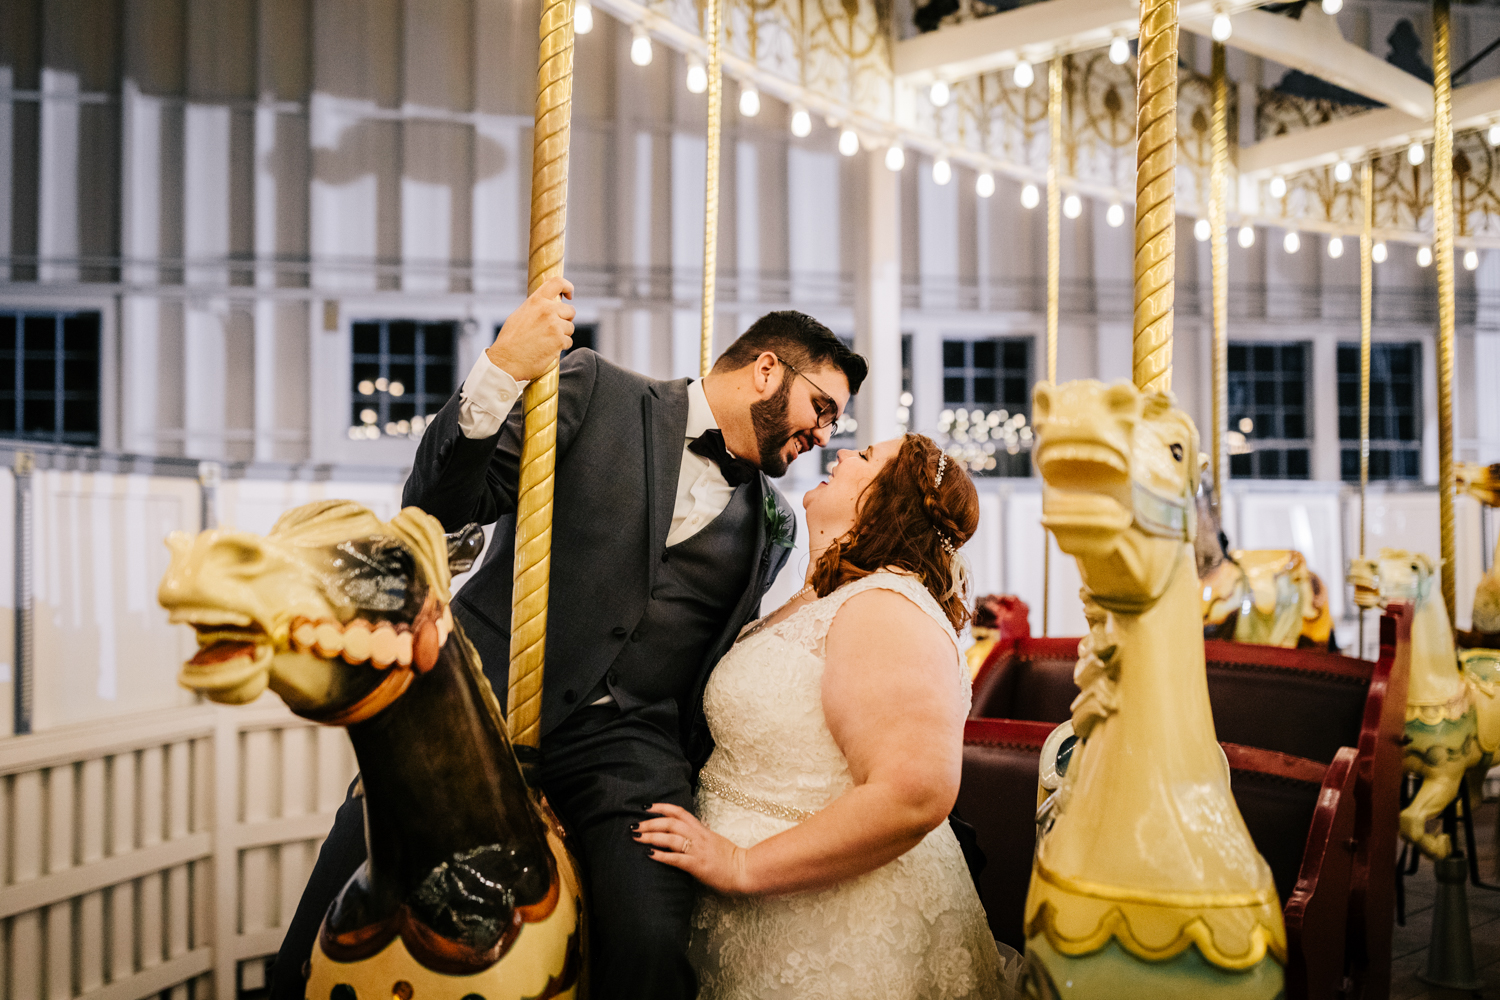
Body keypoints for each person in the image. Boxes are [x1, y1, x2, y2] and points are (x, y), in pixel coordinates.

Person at [268, 276, 868, 1000]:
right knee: (334, 897)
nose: (825, 434)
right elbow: (438, 504)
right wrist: (502, 367)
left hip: (626, 752)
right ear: (767, 369)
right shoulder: (596, 391)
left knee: (649, 937)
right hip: (488, 695)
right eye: (822, 407)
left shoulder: (773, 526)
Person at [635, 434, 1019, 1000]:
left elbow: (914, 792)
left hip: (838, 936)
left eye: (863, 458)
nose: (840, 454)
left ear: (888, 502)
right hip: (756, 923)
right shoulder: (825, 598)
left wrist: (742, 865)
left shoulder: (886, 607)